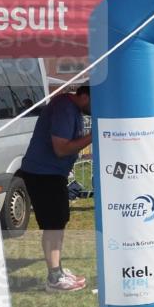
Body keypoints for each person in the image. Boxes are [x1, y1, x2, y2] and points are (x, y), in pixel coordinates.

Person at [17, 86, 92, 292]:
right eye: (94, 103)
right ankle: (54, 277)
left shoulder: (70, 109)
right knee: (53, 224)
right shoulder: (64, 108)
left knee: (58, 221)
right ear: (84, 96)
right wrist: (94, 136)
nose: (95, 109)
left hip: (50, 173)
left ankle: (57, 270)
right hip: (43, 174)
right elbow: (61, 148)